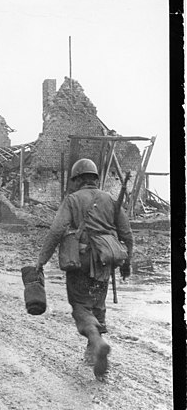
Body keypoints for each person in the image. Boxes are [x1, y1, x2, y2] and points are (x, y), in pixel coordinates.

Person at [35, 158, 133, 379]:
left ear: (78, 179)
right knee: (97, 303)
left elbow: (56, 231)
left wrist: (41, 260)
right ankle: (93, 354)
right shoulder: (110, 199)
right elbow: (127, 235)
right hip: (105, 259)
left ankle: (97, 343)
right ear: (96, 178)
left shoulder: (72, 200)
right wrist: (127, 263)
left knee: (80, 306)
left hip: (80, 259)